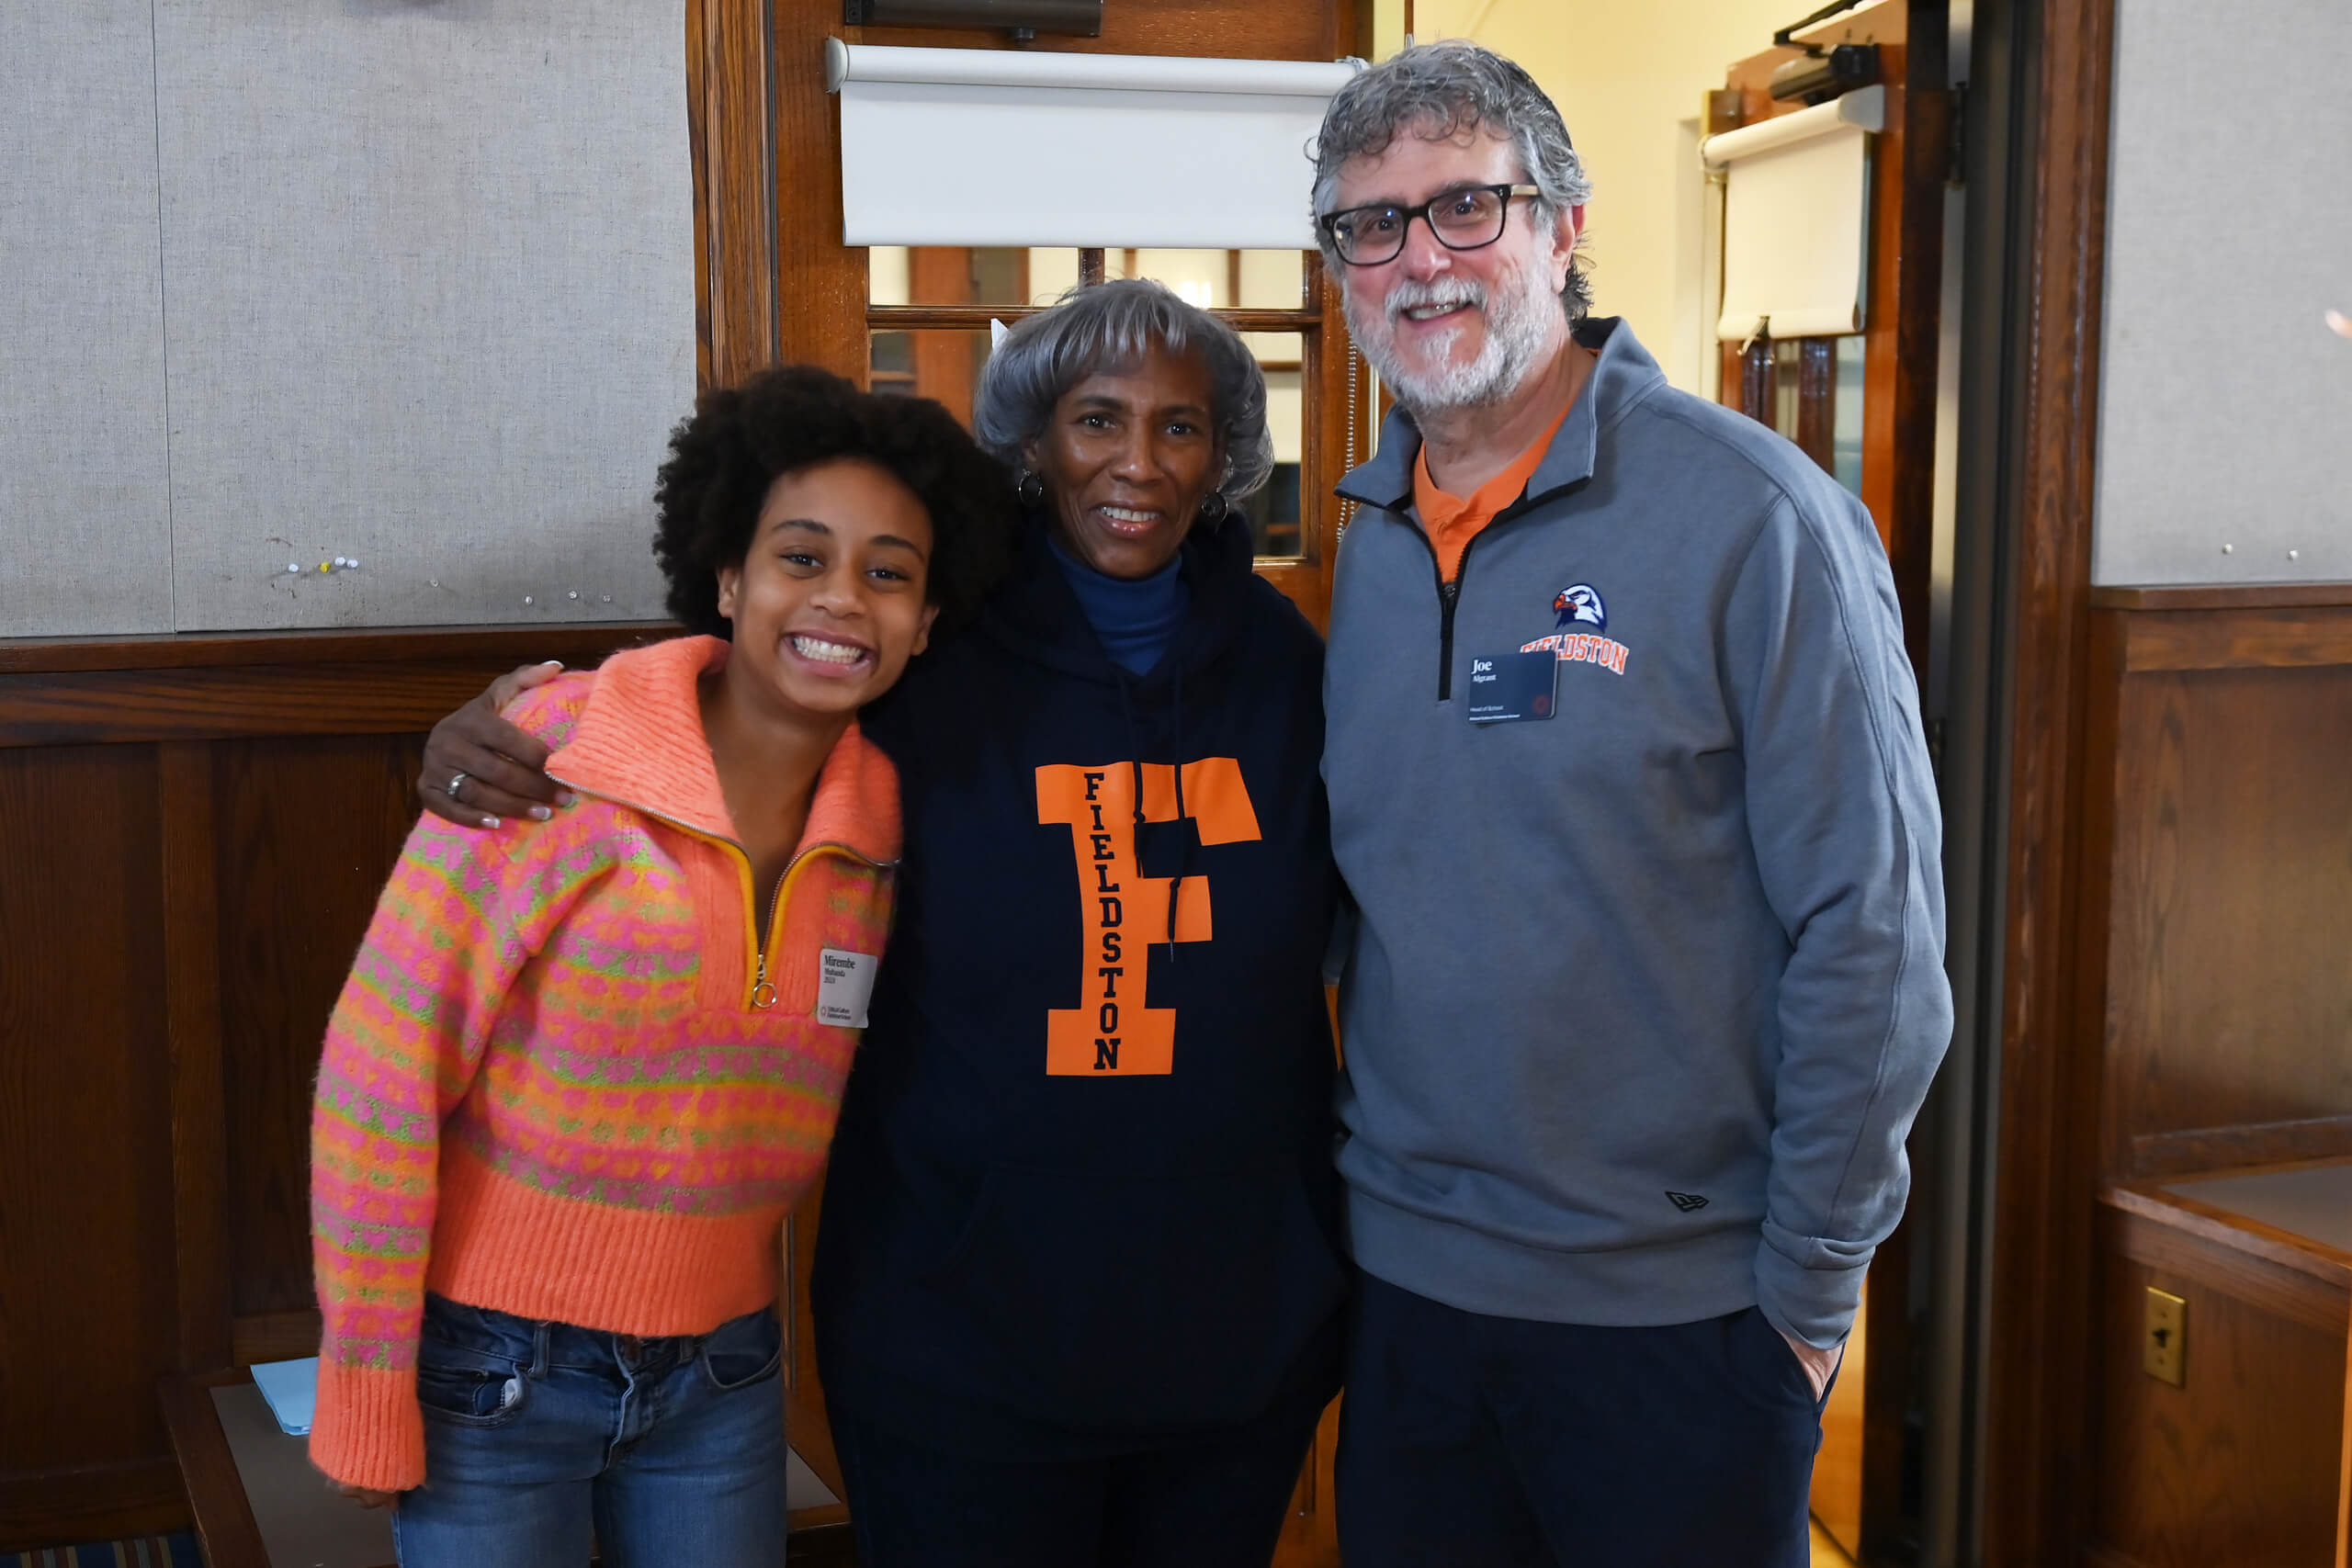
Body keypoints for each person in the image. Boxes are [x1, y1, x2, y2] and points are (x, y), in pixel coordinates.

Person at [417, 279, 1345, 1568]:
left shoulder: (1289, 664)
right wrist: (514, 725)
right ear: (1032, 440)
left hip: (1237, 1333)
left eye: (1181, 428)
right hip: (960, 1336)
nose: (1138, 462)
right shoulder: (931, 650)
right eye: (1096, 420)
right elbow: (727, 690)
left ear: (1225, 454)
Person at [1308, 40, 1954, 1567]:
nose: (1420, 259)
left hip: (1685, 1322)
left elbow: (1878, 939)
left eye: (1467, 206)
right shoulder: (1370, 541)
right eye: (1371, 224)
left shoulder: (1755, 517)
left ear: (1562, 227)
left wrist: (1807, 1297)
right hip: (1407, 1308)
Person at [306, 365, 1015, 1568]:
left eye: (889, 573)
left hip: (724, 1374)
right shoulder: (553, 755)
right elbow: (379, 1081)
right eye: (802, 556)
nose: (843, 598)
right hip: (494, 1371)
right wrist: (364, 1385)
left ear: (927, 618)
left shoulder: (897, 825)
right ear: (729, 576)